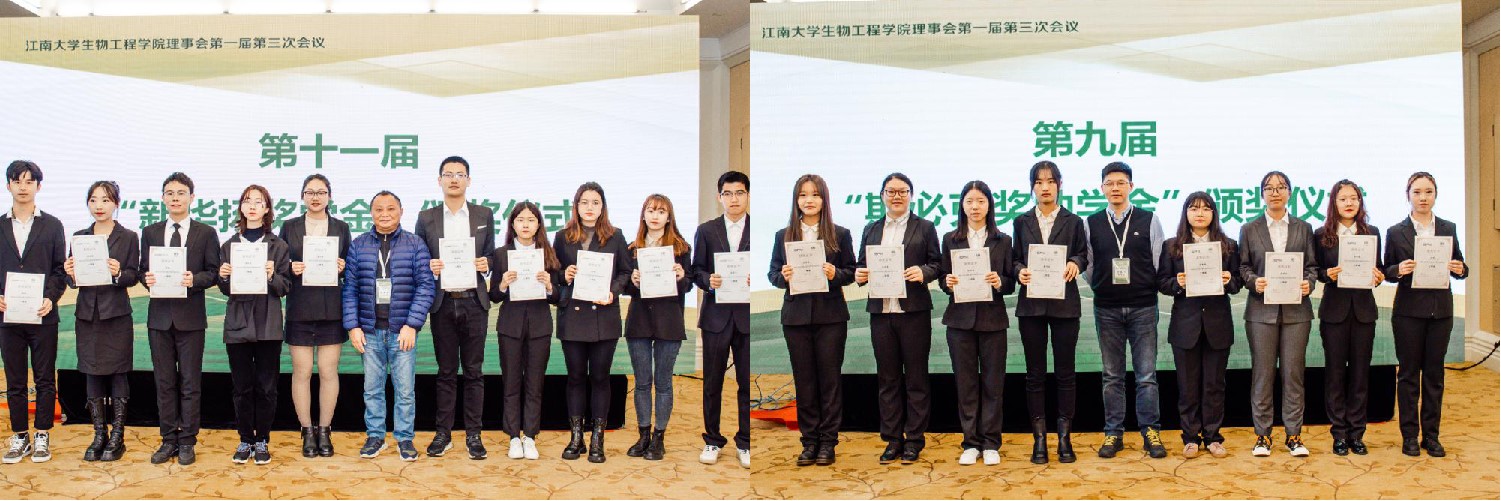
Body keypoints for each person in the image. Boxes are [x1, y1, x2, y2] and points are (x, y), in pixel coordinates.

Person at [853, 172, 941, 464]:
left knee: (916, 378)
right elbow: (861, 265)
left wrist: (923, 272)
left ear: (911, 196)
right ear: (882, 196)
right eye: (891, 191)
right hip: (881, 312)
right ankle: (892, 439)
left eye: (903, 191)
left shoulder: (925, 227)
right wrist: (860, 275)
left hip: (913, 312)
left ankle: (914, 439)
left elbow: (937, 264)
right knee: (887, 379)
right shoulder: (871, 228)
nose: (897, 196)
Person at [768, 174, 855, 466]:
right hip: (796, 318)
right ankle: (809, 442)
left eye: (815, 195)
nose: (809, 200)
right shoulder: (783, 235)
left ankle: (828, 442)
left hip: (831, 317)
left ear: (824, 199)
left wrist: (835, 274)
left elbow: (851, 272)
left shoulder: (839, 234)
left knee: (829, 381)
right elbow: (772, 274)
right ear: (796, 200)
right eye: (803, 195)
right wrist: (783, 276)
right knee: (804, 381)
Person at [1083, 162, 1167, 459]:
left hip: (1143, 306)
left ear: (1131, 186)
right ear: (1102, 188)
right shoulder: (1091, 223)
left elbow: (1158, 261)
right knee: (1111, 375)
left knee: (1146, 375)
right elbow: (1088, 265)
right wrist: (1103, 285)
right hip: (1106, 308)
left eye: (1121, 183)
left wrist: (1142, 285)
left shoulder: (1149, 219)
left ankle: (1150, 431)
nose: (1115, 188)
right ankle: (1113, 433)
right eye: (1110, 183)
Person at [344, 190, 435, 462]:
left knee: (405, 390)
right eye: (379, 209)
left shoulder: (415, 244)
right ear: (371, 213)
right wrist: (353, 327)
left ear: (401, 212)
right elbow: (349, 289)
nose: (385, 214)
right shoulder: (359, 245)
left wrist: (412, 325)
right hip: (369, 331)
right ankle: (375, 436)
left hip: (402, 331)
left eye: (391, 209)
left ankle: (405, 439)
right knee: (372, 389)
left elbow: (426, 286)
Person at [415, 156, 496, 459]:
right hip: (443, 302)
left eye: (460, 174)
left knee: (474, 372)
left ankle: (474, 435)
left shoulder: (484, 214)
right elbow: (419, 259)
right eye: (448, 174)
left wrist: (487, 263)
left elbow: (492, 255)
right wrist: (429, 265)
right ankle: (443, 434)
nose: (454, 179)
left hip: (474, 301)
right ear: (439, 180)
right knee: (446, 372)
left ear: (468, 181)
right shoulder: (426, 217)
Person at [138, 172, 221, 466]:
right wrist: (146, 278)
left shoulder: (205, 232)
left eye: (181, 193)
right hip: (159, 319)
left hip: (191, 319)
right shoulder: (150, 232)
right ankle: (168, 439)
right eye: (170, 193)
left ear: (191, 198)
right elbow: (142, 270)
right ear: (163, 198)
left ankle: (187, 440)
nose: (175, 198)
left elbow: (214, 272)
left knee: (189, 382)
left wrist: (194, 279)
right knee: (164, 382)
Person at [1384, 172, 1467, 457]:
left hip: (1440, 311)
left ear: (1435, 195)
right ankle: (1409, 436)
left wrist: (1460, 269)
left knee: (1434, 375)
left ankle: (1431, 436)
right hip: (1408, 312)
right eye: (1417, 192)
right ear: (1408, 195)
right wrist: (1398, 269)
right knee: (1408, 375)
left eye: (1428, 192)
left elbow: (1461, 265)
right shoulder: (1396, 231)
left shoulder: (1448, 227)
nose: (1423, 198)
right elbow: (1387, 270)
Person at [1010, 161, 1087, 464]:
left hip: (1064, 305)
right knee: (1035, 375)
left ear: (1059, 185)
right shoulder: (1021, 221)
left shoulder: (1074, 221)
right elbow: (1014, 259)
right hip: (1031, 306)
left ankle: (1064, 439)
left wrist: (1075, 264)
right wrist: (1020, 271)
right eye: (1039, 182)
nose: (1045, 187)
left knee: (1066, 374)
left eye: (1050, 181)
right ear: (1032, 187)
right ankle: (1039, 440)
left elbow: (1083, 254)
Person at [1238, 170, 1319, 457]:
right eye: (1269, 188)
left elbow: (1312, 267)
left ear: (1289, 193)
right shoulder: (1249, 228)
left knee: (1293, 375)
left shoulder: (1304, 227)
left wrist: (1308, 283)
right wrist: (1253, 281)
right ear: (1262, 194)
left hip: (1297, 312)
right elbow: (1243, 266)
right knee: (1262, 375)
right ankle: (1262, 436)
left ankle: (1294, 435)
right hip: (1261, 312)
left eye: (1281, 187)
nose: (1275, 192)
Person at [1156, 192, 1240, 459]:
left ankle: (1213, 437)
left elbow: (1238, 282)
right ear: (1186, 213)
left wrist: (1228, 280)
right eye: (1194, 208)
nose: (1200, 213)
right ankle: (1191, 437)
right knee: (1188, 386)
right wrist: (1177, 283)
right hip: (1185, 325)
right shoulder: (1172, 246)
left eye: (1206, 208)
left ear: (1214, 214)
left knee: (1214, 385)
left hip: (1217, 324)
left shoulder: (1228, 246)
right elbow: (1162, 282)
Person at [553, 182, 631, 463]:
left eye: (595, 202)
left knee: (600, 378)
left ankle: (598, 439)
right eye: (584, 202)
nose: (589, 207)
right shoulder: (562, 237)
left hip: (604, 316)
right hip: (573, 317)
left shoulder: (615, 236)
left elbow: (625, 272)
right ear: (576, 206)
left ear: (602, 207)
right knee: (575, 377)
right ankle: (576, 438)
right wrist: (564, 275)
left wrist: (613, 291)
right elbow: (552, 272)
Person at [936, 180, 1013, 466]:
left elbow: (1011, 283)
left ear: (989, 205)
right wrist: (948, 282)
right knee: (966, 384)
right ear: (962, 206)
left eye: (980, 201)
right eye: (969, 201)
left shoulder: (1003, 240)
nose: (975, 206)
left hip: (993, 320)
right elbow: (943, 278)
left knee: (993, 384)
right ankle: (970, 442)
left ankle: (991, 442)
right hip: (960, 322)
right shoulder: (950, 239)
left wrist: (999, 281)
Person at [216, 184, 293, 465]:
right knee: (241, 388)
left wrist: (272, 276)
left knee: (267, 387)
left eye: (258, 202)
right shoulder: (229, 245)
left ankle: (262, 440)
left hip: (267, 324)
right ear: (241, 207)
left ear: (267, 209)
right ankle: (245, 438)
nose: (252, 206)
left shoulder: (278, 246)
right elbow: (225, 289)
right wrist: (223, 276)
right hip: (238, 324)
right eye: (247, 201)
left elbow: (285, 287)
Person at [66, 181, 139, 462]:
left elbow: (133, 275)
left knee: (118, 373)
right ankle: (99, 434)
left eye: (106, 200)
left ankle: (118, 436)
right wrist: (71, 273)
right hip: (88, 315)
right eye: (94, 200)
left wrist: (119, 272)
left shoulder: (128, 237)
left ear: (116, 204)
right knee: (92, 372)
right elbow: (72, 281)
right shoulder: (79, 237)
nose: (99, 206)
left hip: (116, 314)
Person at [279, 174, 351, 458]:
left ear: (329, 196)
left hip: (331, 308)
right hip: (300, 307)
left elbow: (351, 266)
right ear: (302, 196)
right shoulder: (290, 226)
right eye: (310, 192)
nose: (316, 197)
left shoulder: (341, 227)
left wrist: (343, 266)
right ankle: (307, 430)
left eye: (321, 192)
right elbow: (279, 264)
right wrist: (290, 267)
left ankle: (325, 430)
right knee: (302, 371)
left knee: (328, 371)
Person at [0, 160, 67, 464]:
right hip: (8, 317)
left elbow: (59, 270)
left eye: (29, 182)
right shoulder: (0, 225)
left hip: (43, 315)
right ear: (8, 186)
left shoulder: (52, 225)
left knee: (44, 379)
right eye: (18, 181)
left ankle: (41, 434)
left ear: (39, 186)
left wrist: (51, 297)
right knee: (14, 380)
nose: (23, 187)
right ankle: (19, 436)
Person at [1313, 179, 1384, 456]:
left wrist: (1378, 277)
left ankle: (1357, 433)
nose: (1349, 203)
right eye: (1343, 199)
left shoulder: (1372, 233)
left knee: (1360, 374)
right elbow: (1316, 270)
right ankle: (1339, 433)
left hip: (1363, 312)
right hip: (1334, 312)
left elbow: (1378, 270)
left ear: (1360, 201)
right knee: (1335, 374)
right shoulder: (1322, 234)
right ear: (1334, 203)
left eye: (1354, 198)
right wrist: (1326, 274)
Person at [487, 201, 561, 461]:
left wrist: (550, 286)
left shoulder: (548, 253)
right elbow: (494, 295)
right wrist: (503, 284)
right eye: (520, 220)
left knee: (534, 383)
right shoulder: (501, 254)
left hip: (540, 326)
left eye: (531, 219)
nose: (526, 224)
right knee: (511, 383)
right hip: (510, 326)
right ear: (513, 224)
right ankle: (513, 437)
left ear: (539, 224)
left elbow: (558, 297)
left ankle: (530, 436)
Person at [623, 194, 694, 461]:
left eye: (661, 211)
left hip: (669, 322)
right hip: (639, 321)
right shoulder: (632, 249)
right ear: (643, 215)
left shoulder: (681, 249)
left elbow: (689, 285)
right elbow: (624, 285)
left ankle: (659, 438)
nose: (655, 216)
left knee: (663, 382)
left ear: (668, 217)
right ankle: (643, 435)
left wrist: (682, 277)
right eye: (651, 211)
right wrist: (632, 281)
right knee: (642, 382)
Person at [693, 171, 751, 468]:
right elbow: (696, 271)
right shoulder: (706, 230)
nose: (734, 199)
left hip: (747, 317)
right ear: (719, 197)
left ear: (747, 195)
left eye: (739, 193)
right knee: (712, 382)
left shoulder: (757, 229)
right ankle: (712, 440)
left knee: (745, 383)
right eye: (727, 194)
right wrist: (708, 281)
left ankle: (746, 441)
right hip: (716, 317)